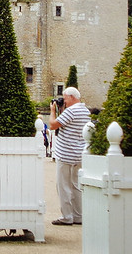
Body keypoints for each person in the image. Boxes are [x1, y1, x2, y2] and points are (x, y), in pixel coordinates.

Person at [49, 86, 90, 226]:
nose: (64, 101)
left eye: (65, 98)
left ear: (72, 97)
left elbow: (53, 125)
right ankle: (78, 215)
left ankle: (67, 216)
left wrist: (53, 112)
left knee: (63, 186)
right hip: (79, 154)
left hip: (66, 153)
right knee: (76, 186)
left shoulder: (71, 111)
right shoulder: (85, 110)